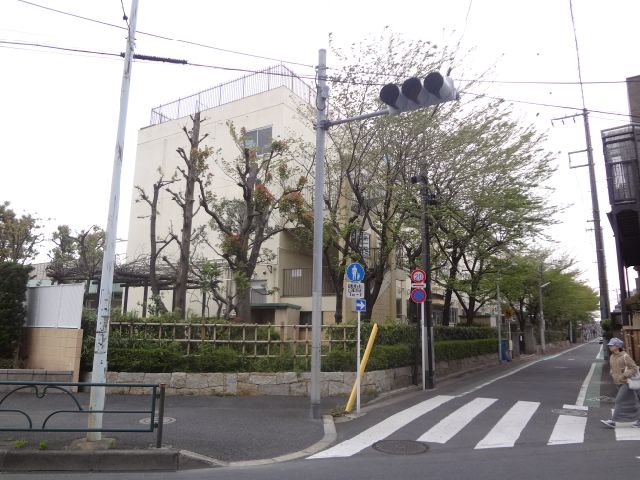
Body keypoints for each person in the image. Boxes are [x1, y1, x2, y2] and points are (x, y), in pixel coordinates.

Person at [601, 337, 640, 428]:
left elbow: (634, 368)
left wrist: (624, 375)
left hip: (626, 383)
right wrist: (612, 373)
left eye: (612, 345)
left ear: (618, 346)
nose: (609, 346)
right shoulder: (612, 356)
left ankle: (613, 421)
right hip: (618, 383)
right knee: (634, 402)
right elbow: (612, 368)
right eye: (609, 345)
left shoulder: (625, 356)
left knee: (619, 401)